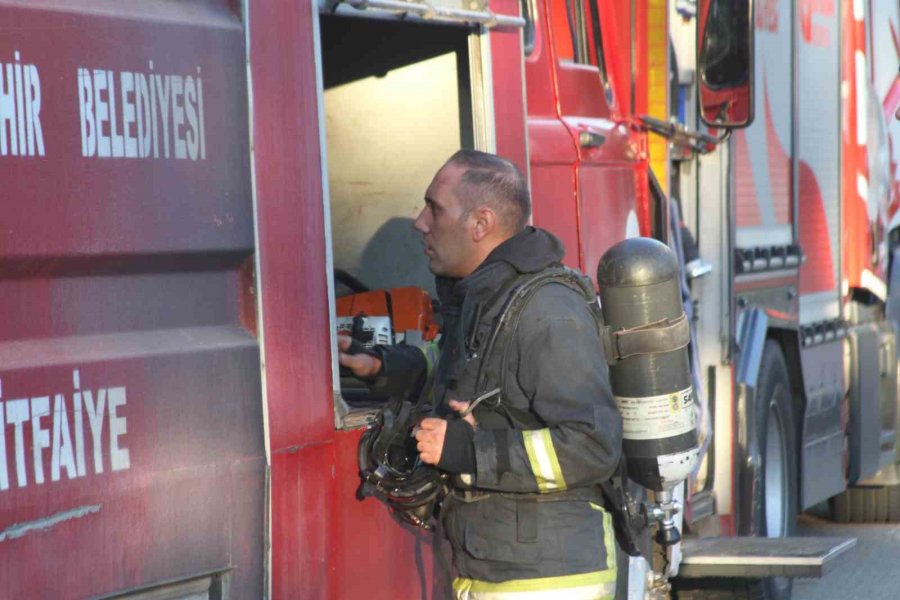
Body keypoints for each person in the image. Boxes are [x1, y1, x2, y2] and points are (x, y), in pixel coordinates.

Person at [339, 150, 622, 599]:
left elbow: (592, 445)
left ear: (481, 223)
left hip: (548, 581)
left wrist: (468, 450)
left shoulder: (548, 313)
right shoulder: (483, 298)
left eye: (434, 208)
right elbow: (458, 373)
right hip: (494, 569)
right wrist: (379, 366)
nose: (420, 222)